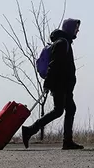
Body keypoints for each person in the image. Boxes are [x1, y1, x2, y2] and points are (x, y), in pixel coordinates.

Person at [22, 18, 84, 150]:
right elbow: (54, 65)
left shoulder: (64, 42)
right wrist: (48, 83)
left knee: (68, 109)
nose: (77, 30)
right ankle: (30, 131)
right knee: (59, 111)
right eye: (76, 28)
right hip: (60, 84)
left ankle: (67, 141)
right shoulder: (62, 43)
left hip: (64, 85)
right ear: (69, 28)